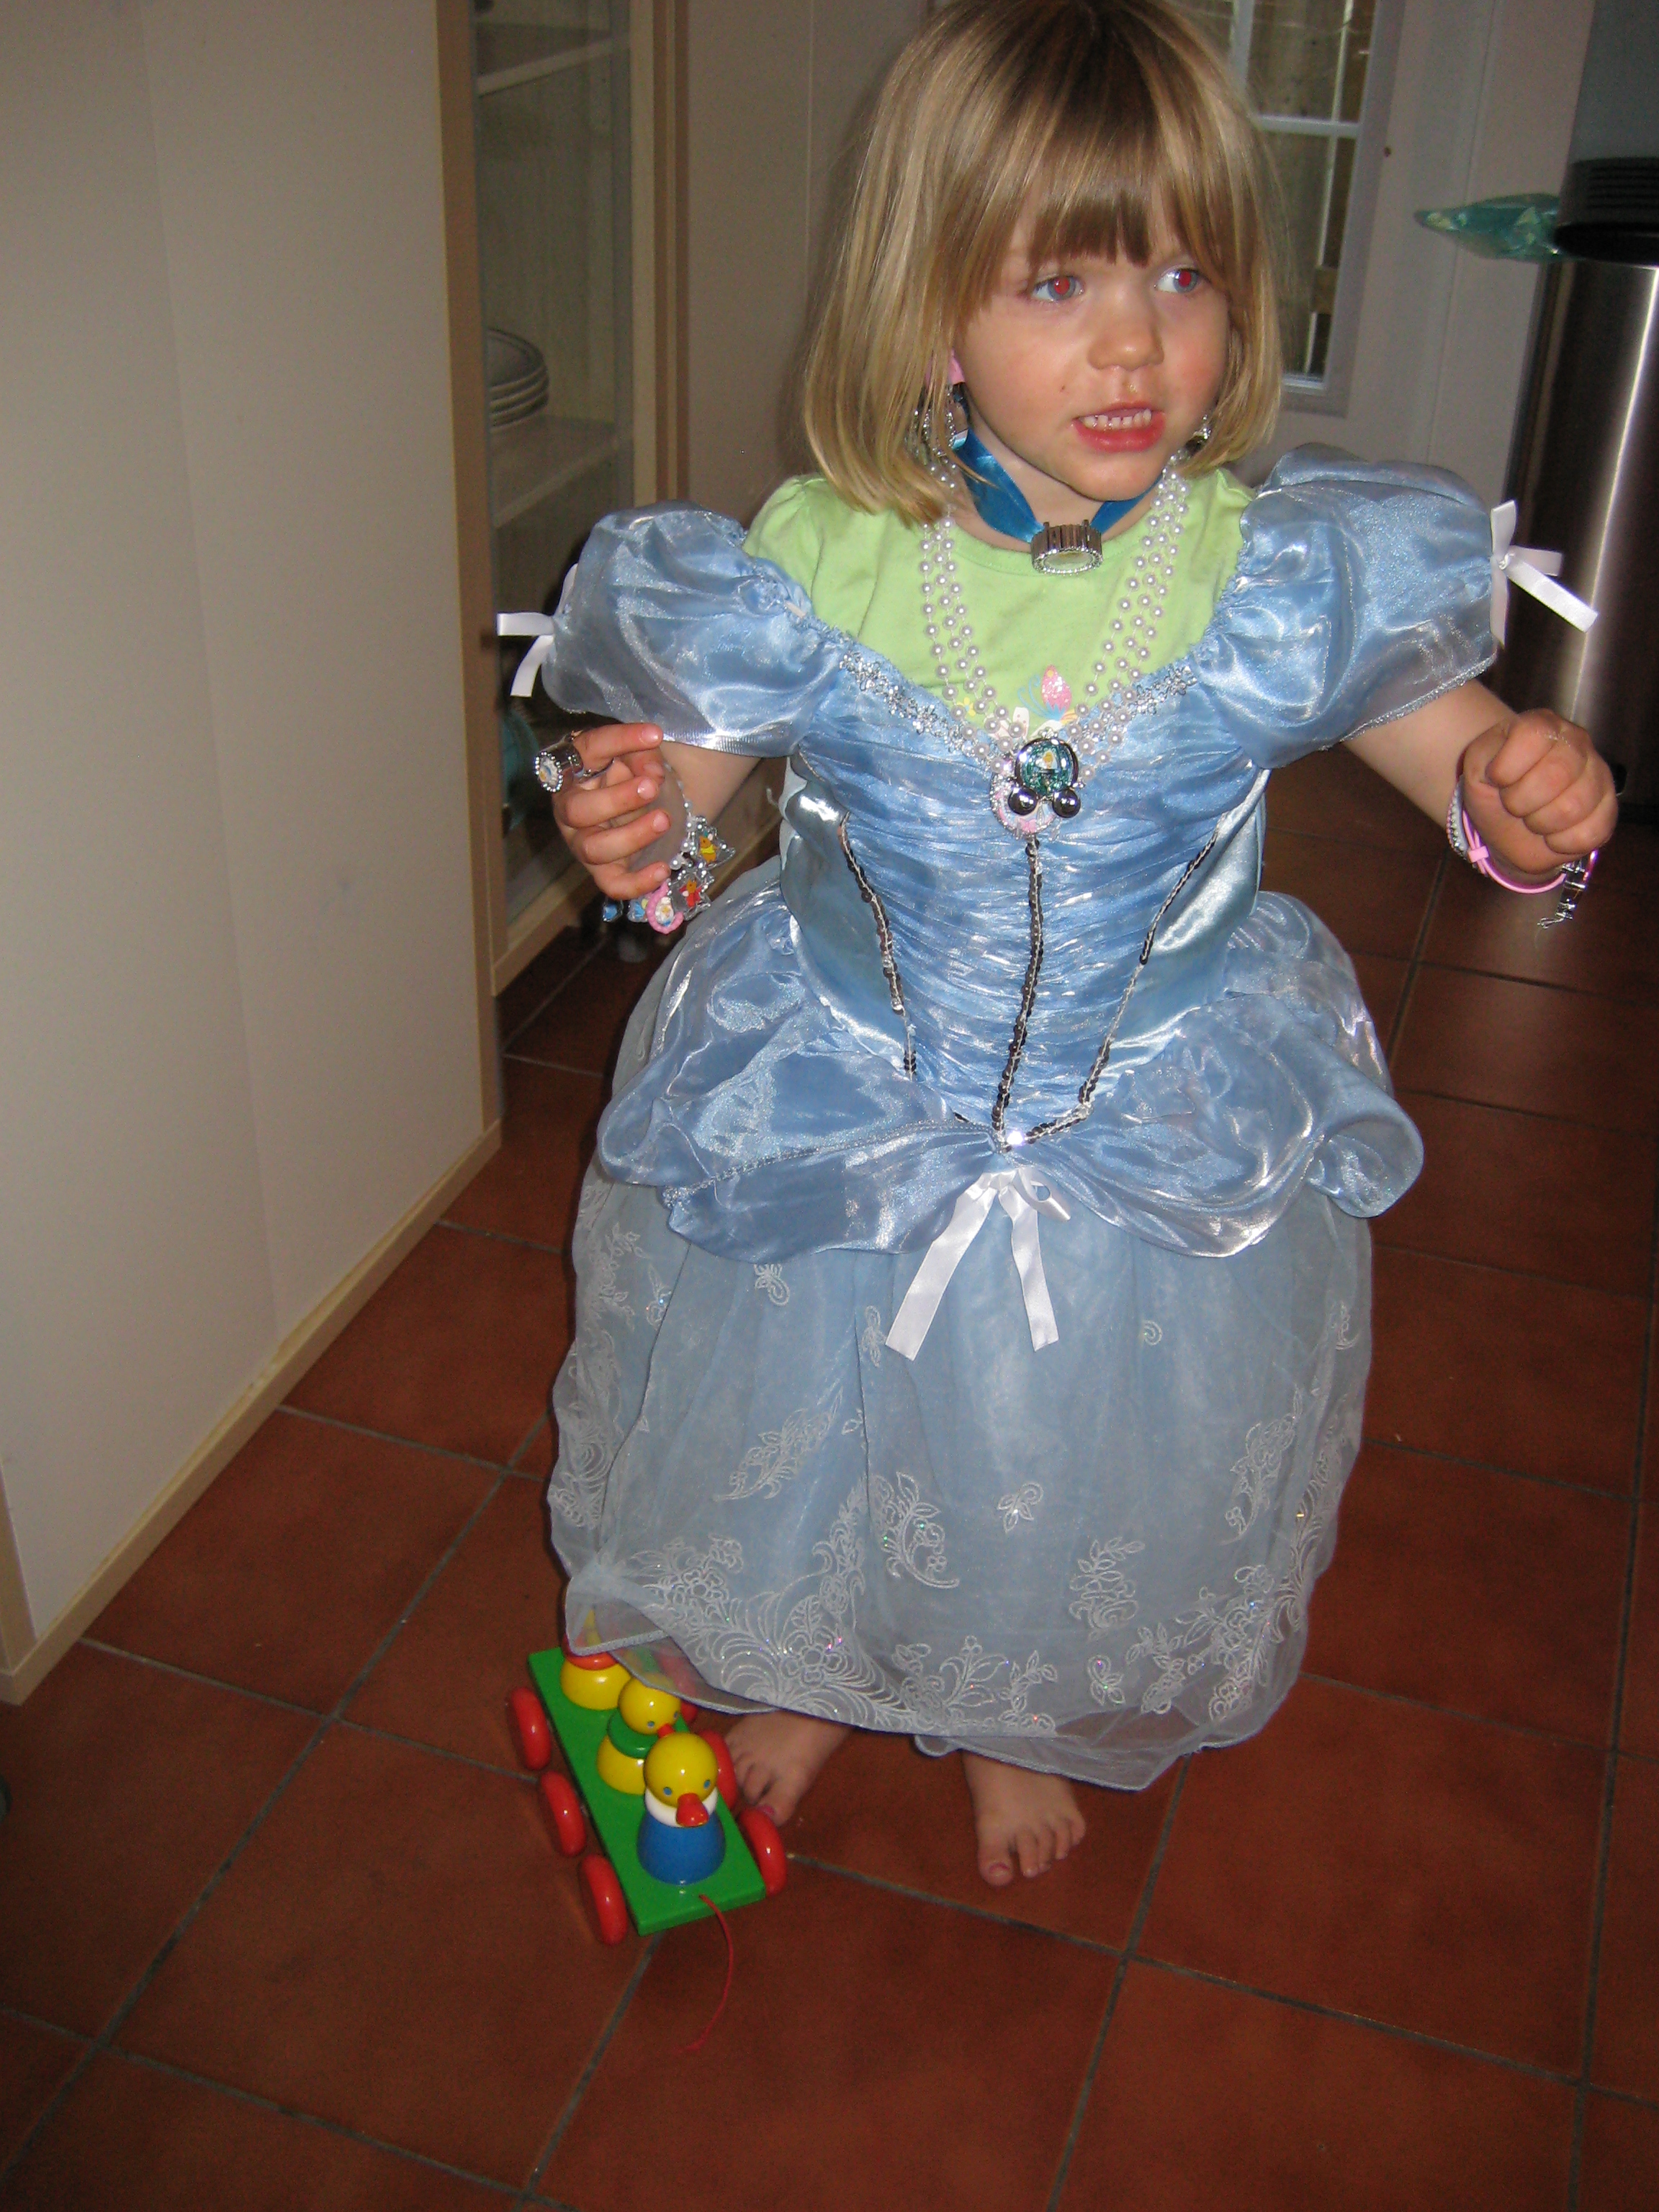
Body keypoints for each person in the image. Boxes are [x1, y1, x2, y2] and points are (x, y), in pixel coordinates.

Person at [520, 0, 1614, 1889]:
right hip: (855, 1115)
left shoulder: (1263, 572)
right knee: (842, 1431)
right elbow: (682, 790)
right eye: (1059, 284)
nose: (1134, 343)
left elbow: (1456, 756)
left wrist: (1518, 795)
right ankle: (827, 1679)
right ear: (931, 312)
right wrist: (635, 818)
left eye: (1186, 276)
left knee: (1059, 1454)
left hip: (1147, 1134)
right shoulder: (828, 553)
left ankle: (1005, 1716)